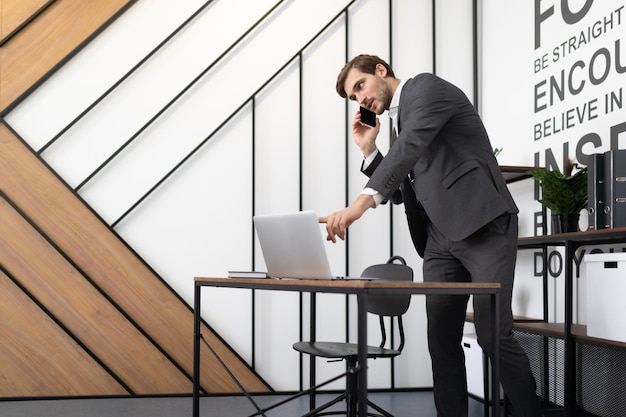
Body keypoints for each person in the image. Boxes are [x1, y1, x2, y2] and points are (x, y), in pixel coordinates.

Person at [320, 54, 542, 417]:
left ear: (381, 70)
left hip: (483, 224)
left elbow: (408, 151)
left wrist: (358, 206)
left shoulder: (425, 89)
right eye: (353, 97)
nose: (360, 100)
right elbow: (401, 187)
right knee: (440, 341)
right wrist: (369, 150)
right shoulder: (397, 124)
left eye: (360, 86)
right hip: (439, 240)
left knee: (492, 337)